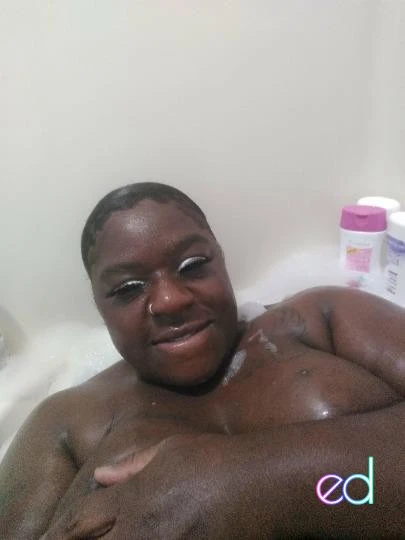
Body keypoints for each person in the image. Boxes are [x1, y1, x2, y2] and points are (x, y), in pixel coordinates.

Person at [0, 182, 404, 539]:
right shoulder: (66, 420)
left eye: (192, 265)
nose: (170, 300)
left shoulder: (320, 317)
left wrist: (241, 482)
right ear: (99, 306)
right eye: (128, 288)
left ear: (221, 259)